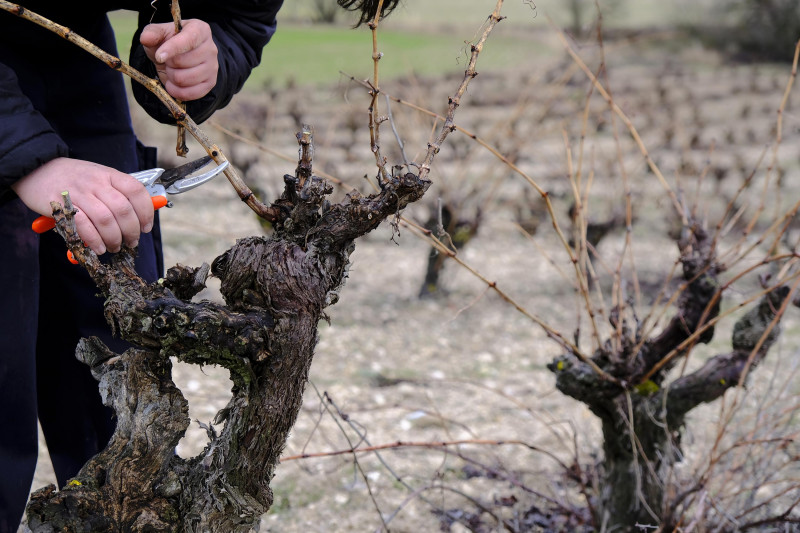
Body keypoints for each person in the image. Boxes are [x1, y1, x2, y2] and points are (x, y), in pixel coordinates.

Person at [0, 1, 283, 530]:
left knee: (115, 357)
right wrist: (24, 154)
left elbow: (240, 15)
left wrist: (211, 52)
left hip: (74, 49)